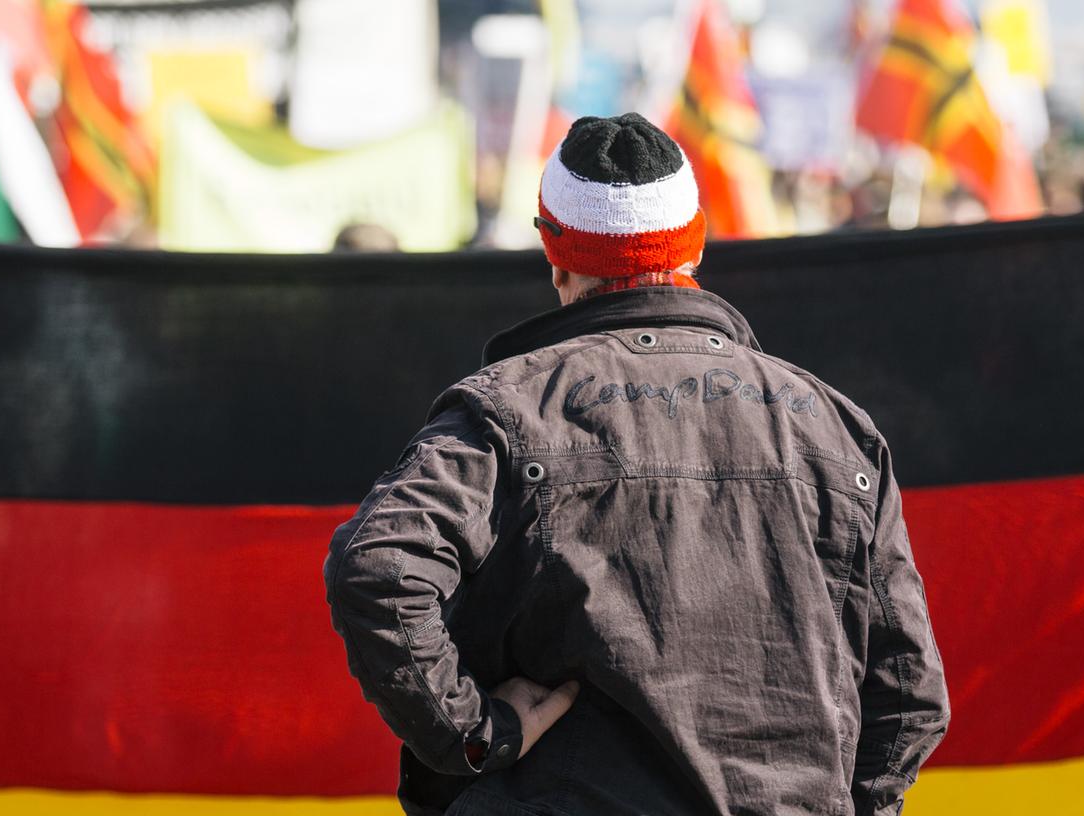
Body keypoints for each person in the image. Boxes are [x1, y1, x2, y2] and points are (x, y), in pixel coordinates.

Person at [324, 113, 949, 816]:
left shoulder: (506, 410)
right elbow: (908, 694)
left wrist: (472, 735)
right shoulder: (835, 425)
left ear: (553, 252)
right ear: (695, 246)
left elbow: (378, 567)